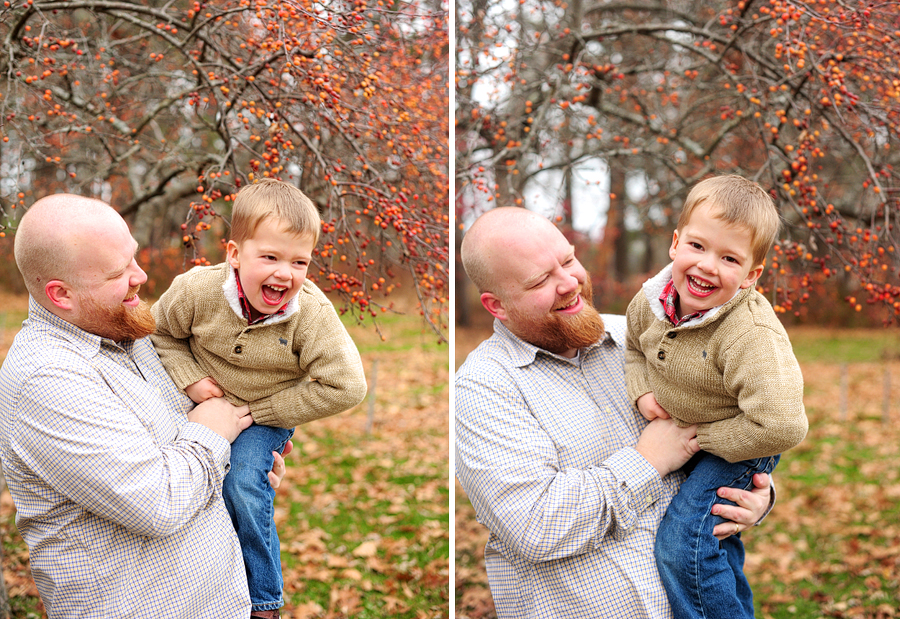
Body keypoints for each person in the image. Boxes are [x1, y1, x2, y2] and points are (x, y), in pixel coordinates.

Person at [455, 206, 774, 618]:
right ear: (496, 305)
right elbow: (535, 527)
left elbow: (723, 420)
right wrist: (647, 462)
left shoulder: (637, 335)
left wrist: (750, 496)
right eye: (540, 280)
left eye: (568, 260)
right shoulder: (484, 387)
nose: (569, 283)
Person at [0, 193, 290, 618]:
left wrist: (244, 463)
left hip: (222, 601)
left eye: (133, 257)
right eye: (119, 272)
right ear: (61, 294)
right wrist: (213, 433)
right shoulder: (45, 379)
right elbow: (158, 502)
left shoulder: (129, 332)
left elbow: (182, 449)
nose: (140, 275)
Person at [150, 178, 367, 619]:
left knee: (244, 486)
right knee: (180, 488)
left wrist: (262, 412)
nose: (284, 273)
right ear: (234, 254)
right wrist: (191, 380)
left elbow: (347, 385)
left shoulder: (311, 315)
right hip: (199, 402)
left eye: (299, 261)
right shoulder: (196, 290)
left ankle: (262, 601)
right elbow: (157, 331)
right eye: (269, 257)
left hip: (263, 415)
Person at [624, 174, 807, 619]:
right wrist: (642, 391)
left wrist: (698, 437)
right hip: (702, 439)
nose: (707, 266)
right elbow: (632, 346)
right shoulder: (650, 302)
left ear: (751, 275)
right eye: (698, 246)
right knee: (717, 548)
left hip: (742, 443)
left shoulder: (748, 334)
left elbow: (783, 425)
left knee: (683, 543)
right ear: (675, 243)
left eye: (729, 258)